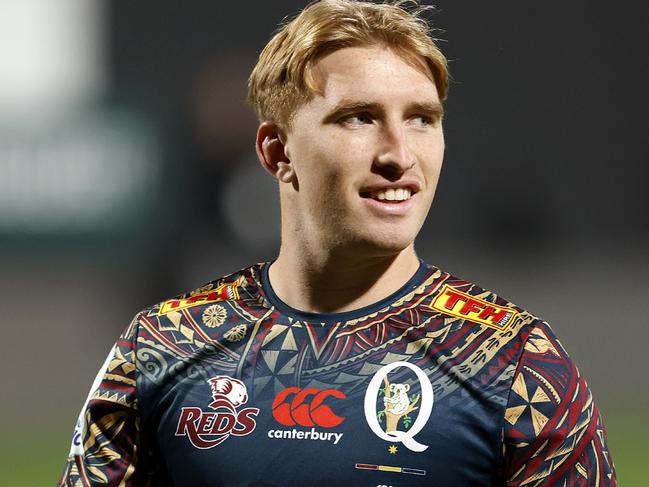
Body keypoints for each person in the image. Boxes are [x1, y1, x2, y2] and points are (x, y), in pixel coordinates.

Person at [59, 1, 616, 485]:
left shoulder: (516, 363)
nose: (400, 155)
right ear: (278, 152)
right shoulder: (163, 348)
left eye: (422, 119)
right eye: (359, 118)